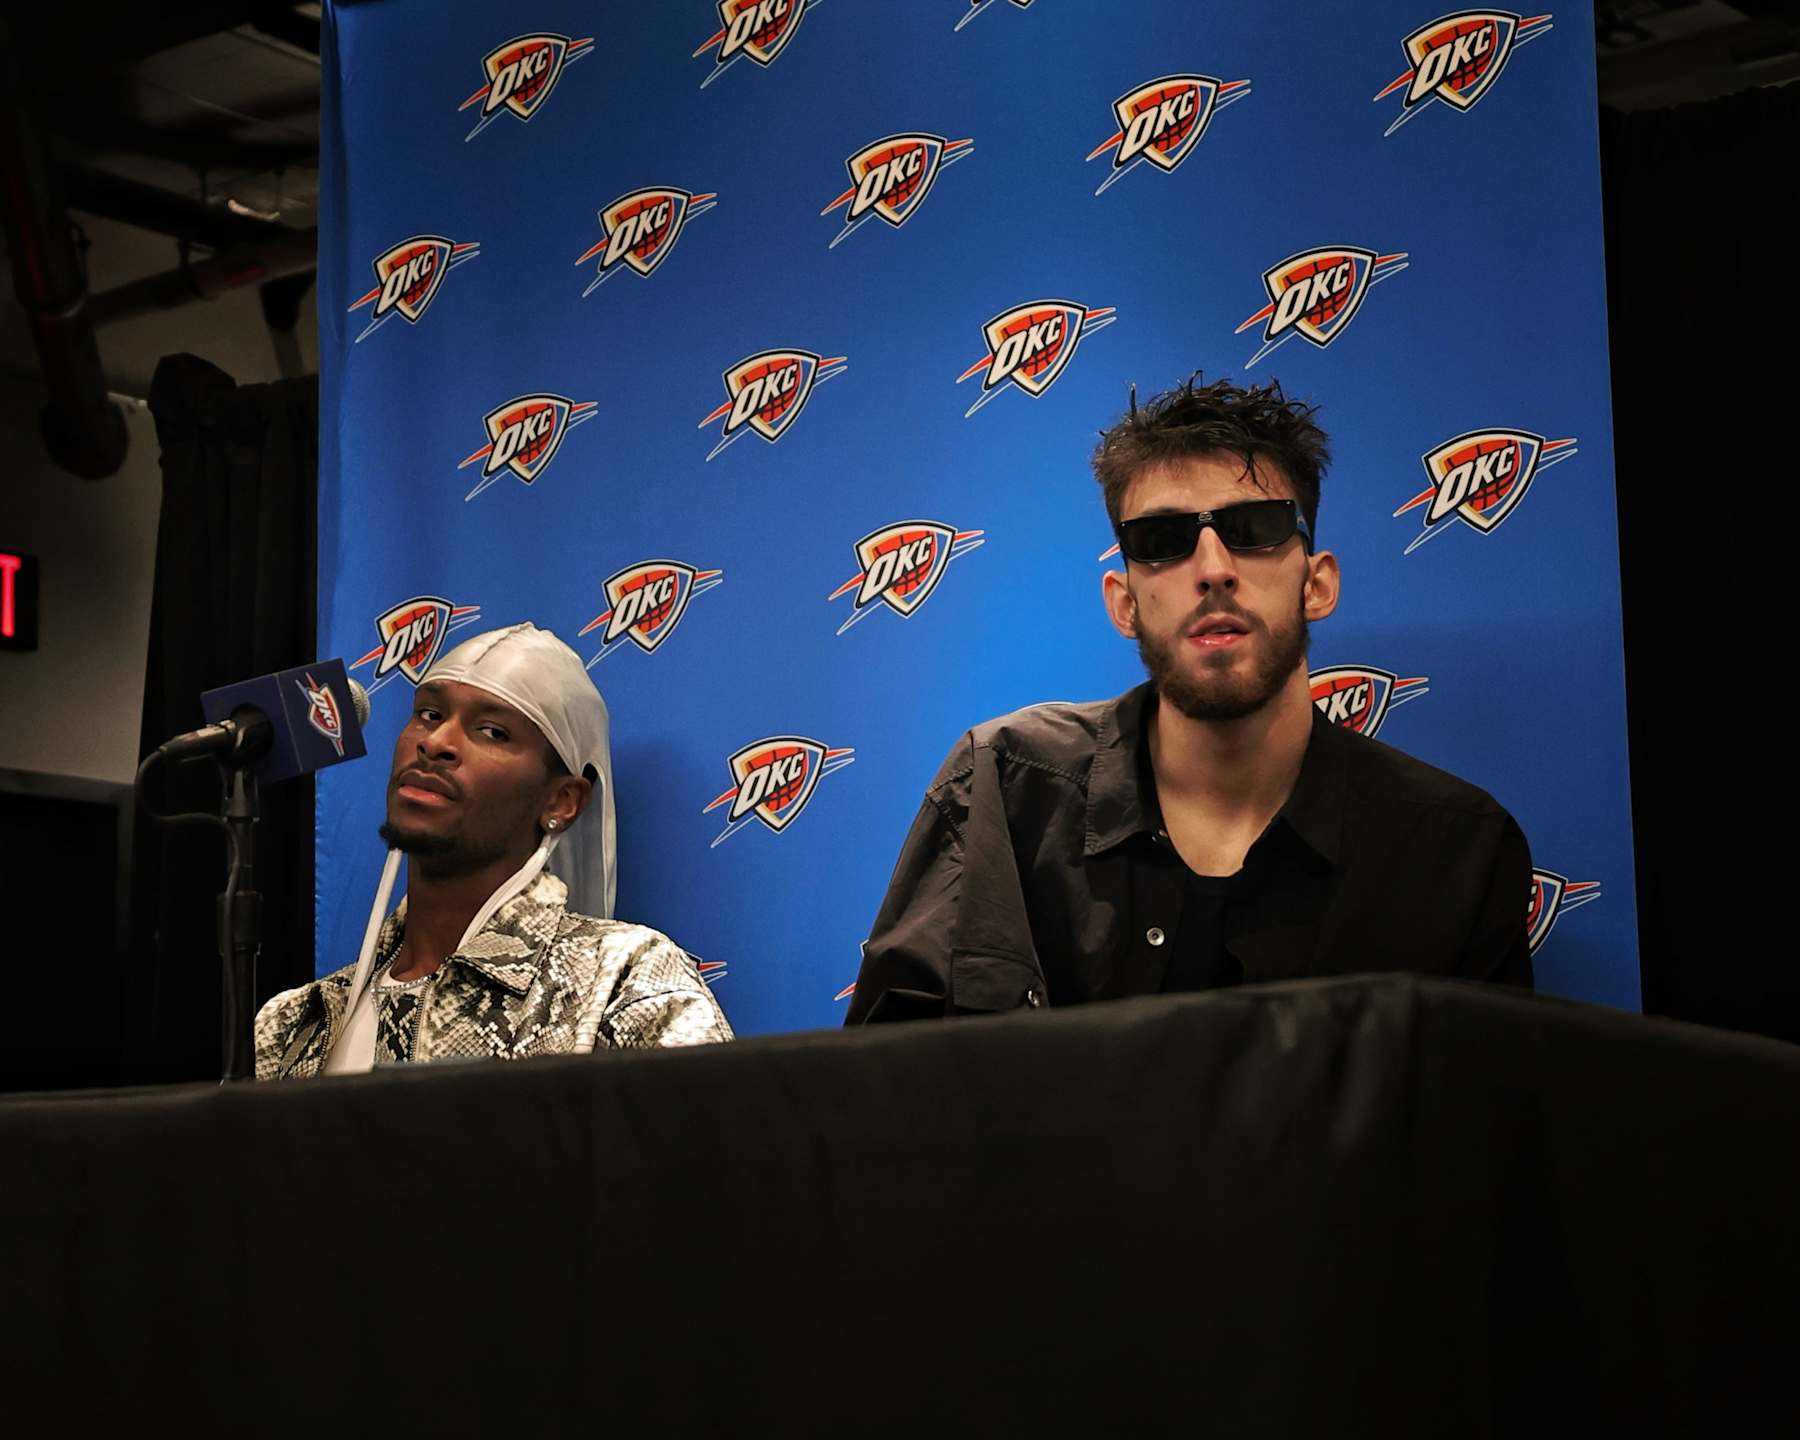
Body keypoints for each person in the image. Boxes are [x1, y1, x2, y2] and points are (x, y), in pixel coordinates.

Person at [846, 374, 1532, 1022]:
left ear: (1317, 583)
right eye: (1162, 541)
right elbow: (888, 1105)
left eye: (1254, 528)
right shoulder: (1001, 786)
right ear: (1124, 603)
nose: (1213, 570)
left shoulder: (1455, 852)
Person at [256, 622, 731, 1077]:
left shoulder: (624, 980)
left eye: (492, 732)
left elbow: (725, 1156)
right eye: (429, 714)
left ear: (561, 801)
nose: (436, 743)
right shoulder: (293, 1023)